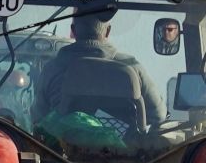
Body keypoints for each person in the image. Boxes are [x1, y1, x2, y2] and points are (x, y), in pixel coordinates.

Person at [35, 7, 167, 129]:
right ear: (108, 31)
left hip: (60, 152)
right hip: (125, 152)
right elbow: (158, 115)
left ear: (73, 31)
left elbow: (38, 119)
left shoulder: (52, 69)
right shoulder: (132, 67)